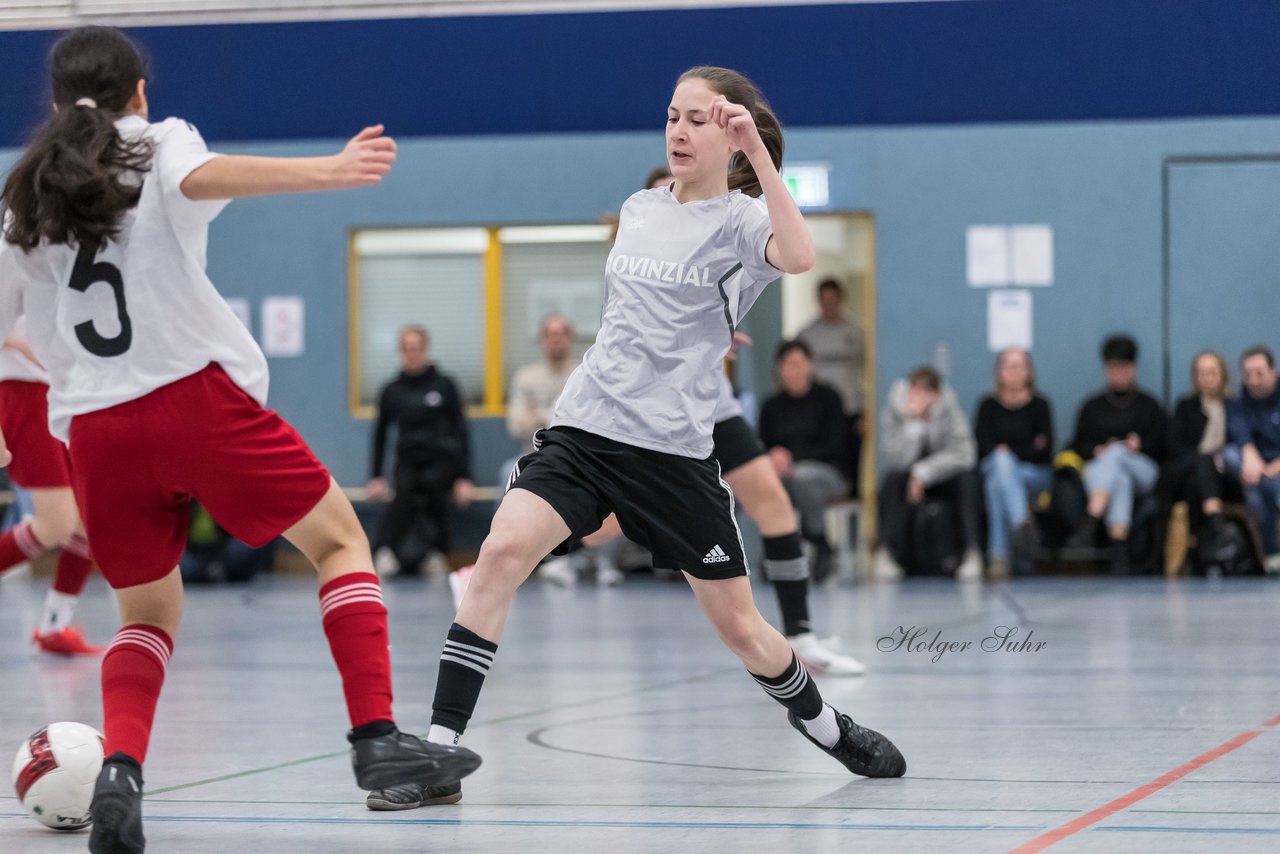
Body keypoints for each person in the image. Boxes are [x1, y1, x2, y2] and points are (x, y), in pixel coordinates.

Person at [367, 66, 905, 812]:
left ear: (732, 137)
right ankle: (440, 752)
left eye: (696, 120)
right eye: (671, 116)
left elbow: (802, 257)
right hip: (585, 431)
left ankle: (825, 726)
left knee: (745, 631)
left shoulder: (747, 222)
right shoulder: (641, 205)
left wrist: (762, 158)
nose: (678, 131)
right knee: (497, 555)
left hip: (672, 456)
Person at [0, 27, 478, 853]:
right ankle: (376, 745)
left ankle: (121, 771)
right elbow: (203, 175)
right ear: (138, 93)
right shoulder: (158, 143)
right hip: (193, 400)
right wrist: (328, 171)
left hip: (96, 430)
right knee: (337, 542)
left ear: (55, 98)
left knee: (144, 613)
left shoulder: (25, 195)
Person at [0, 321, 102, 654]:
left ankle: (54, 625)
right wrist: (19, 344)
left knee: (87, 522)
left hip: (58, 394)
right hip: (20, 391)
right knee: (55, 522)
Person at [501, 313, 620, 586]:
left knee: (614, 480)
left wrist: (543, 415)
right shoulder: (526, 378)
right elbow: (517, 424)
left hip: (579, 454)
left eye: (562, 334)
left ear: (570, 339)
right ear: (542, 340)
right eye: (550, 334)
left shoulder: (585, 373)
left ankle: (600, 560)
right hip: (534, 455)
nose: (556, 340)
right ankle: (530, 557)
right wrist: (555, 414)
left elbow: (596, 419)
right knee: (507, 472)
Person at [366, 325, 474, 577]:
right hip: (407, 460)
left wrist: (465, 478)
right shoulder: (391, 391)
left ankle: (437, 553)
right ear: (401, 352)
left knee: (432, 484)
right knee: (404, 488)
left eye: (417, 348)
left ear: (425, 349)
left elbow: (461, 432)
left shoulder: (444, 385)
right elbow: (380, 435)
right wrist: (376, 476)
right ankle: (386, 551)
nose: (412, 354)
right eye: (407, 349)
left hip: (441, 461)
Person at [1067, 335, 1167, 573]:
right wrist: (1097, 449)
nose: (1119, 374)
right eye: (1113, 368)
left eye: (1124, 368)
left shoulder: (1149, 405)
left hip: (1143, 470)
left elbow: (1163, 446)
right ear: (1105, 369)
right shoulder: (1092, 406)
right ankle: (1119, 552)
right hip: (1102, 472)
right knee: (1118, 474)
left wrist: (1139, 446)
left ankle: (1091, 519)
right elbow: (1077, 445)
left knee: (1118, 454)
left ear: (1134, 369)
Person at [875, 366, 981, 581]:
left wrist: (923, 473)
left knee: (967, 480)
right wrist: (913, 426)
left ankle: (972, 552)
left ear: (937, 395)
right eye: (914, 392)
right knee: (890, 480)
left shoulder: (949, 407)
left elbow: (965, 454)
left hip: (942, 476)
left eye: (925, 393)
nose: (918, 399)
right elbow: (895, 459)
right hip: (908, 476)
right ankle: (886, 552)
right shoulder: (894, 409)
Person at [759, 339, 851, 581]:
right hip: (783, 473)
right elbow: (761, 445)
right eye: (788, 364)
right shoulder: (771, 405)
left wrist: (792, 459)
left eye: (799, 363)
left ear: (810, 365)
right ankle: (778, 546)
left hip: (828, 472)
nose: (794, 369)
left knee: (802, 477)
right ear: (779, 368)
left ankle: (818, 541)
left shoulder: (829, 398)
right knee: (764, 481)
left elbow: (835, 445)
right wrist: (774, 458)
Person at [974, 348, 1053, 579]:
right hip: (994, 465)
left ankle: (998, 558)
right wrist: (1025, 448)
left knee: (998, 482)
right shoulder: (987, 406)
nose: (1014, 371)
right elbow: (983, 447)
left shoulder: (1040, 405)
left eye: (1020, 366)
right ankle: (1021, 522)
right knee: (999, 464)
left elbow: (1045, 450)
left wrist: (1007, 451)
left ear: (1029, 371)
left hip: (1034, 473)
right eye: (1009, 366)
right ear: (999, 371)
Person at [1165, 351, 1233, 568]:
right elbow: (1173, 444)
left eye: (1212, 372)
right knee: (1202, 462)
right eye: (1201, 373)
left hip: (1221, 477)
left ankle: (1194, 546)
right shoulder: (1186, 406)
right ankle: (1216, 526)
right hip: (1184, 470)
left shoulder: (1232, 407)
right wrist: (1202, 458)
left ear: (1222, 375)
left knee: (1200, 478)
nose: (1207, 378)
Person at [797, 277, 866, 479]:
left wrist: (866, 410)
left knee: (851, 467)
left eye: (832, 300)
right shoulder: (807, 335)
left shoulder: (855, 334)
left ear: (841, 300)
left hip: (850, 409)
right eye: (824, 300)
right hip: (818, 412)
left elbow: (868, 371)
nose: (829, 305)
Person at [1224, 345, 1280, 575]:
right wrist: (1250, 455)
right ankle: (1271, 555)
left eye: (1259, 373)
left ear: (1273, 371)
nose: (1253, 380)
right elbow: (1241, 436)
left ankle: (1270, 554)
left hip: (1274, 467)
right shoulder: (1238, 404)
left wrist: (1274, 467)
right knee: (1228, 455)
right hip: (1255, 470)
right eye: (1248, 374)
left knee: (1256, 492)